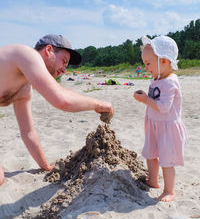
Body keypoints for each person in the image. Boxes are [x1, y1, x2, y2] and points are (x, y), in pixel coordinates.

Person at [0, 34, 114, 185]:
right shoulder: (25, 54)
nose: (64, 70)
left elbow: (28, 132)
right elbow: (62, 100)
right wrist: (99, 104)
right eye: (64, 62)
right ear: (48, 50)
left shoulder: (25, 88)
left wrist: (45, 166)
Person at [133, 35, 186, 202]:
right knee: (150, 153)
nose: (145, 67)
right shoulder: (156, 79)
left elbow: (164, 107)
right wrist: (145, 98)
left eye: (148, 63)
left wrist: (146, 100)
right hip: (155, 125)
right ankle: (153, 181)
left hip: (167, 128)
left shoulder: (170, 81)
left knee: (166, 160)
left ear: (163, 61)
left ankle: (169, 190)